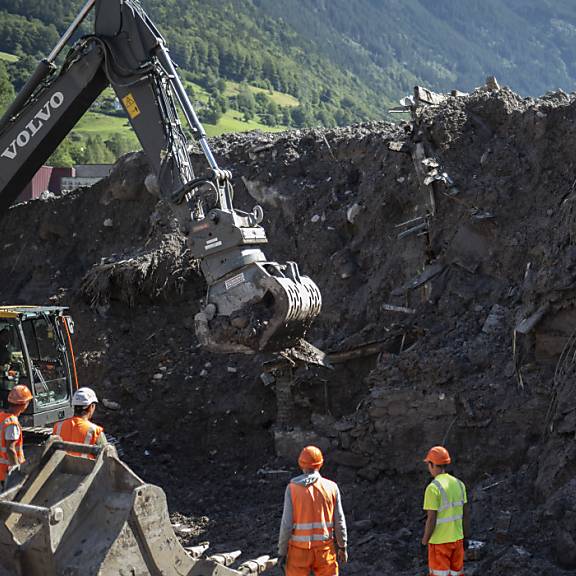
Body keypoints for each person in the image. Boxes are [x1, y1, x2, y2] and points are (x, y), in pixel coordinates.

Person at [278, 445, 347, 576]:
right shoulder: (332, 487)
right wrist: (342, 546)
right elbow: (340, 521)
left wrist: (282, 552)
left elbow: (286, 525)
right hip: (324, 550)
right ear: (320, 464)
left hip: (298, 552)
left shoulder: (292, 489)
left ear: (300, 464)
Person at [422, 446, 469, 576]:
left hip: (439, 543)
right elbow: (465, 514)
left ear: (432, 465)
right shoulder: (460, 484)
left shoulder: (433, 488)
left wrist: (424, 540)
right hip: (457, 541)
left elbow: (431, 519)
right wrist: (465, 536)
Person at [52, 387, 107, 459]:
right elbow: (106, 456)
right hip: (86, 469)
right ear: (91, 407)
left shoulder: (58, 426)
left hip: (61, 468)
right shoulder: (95, 431)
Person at [0, 385, 33, 491]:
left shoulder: (2, 416)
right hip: (6, 473)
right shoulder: (12, 423)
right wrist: (15, 470)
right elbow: (10, 448)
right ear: (23, 404)